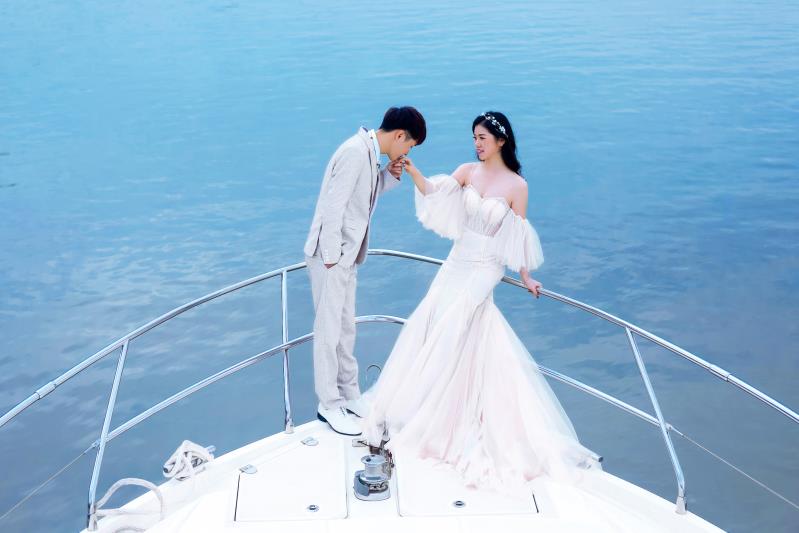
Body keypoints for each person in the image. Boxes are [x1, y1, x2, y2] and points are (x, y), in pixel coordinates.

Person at [362, 111, 600, 493]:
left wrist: (525, 276)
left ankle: (450, 417)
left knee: (455, 326)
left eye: (483, 138)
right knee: (431, 321)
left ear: (501, 141)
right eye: (474, 137)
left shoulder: (517, 186)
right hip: (457, 260)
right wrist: (413, 170)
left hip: (486, 268)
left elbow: (518, 235)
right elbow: (434, 192)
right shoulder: (467, 171)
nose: (477, 144)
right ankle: (422, 408)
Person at [304, 106, 427, 436]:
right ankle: (329, 404)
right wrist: (332, 258)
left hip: (345, 256)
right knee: (329, 331)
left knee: (346, 329)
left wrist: (389, 175)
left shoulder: (369, 154)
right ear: (399, 135)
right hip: (332, 257)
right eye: (410, 145)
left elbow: (363, 196)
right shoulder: (355, 152)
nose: (408, 152)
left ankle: (350, 394)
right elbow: (334, 207)